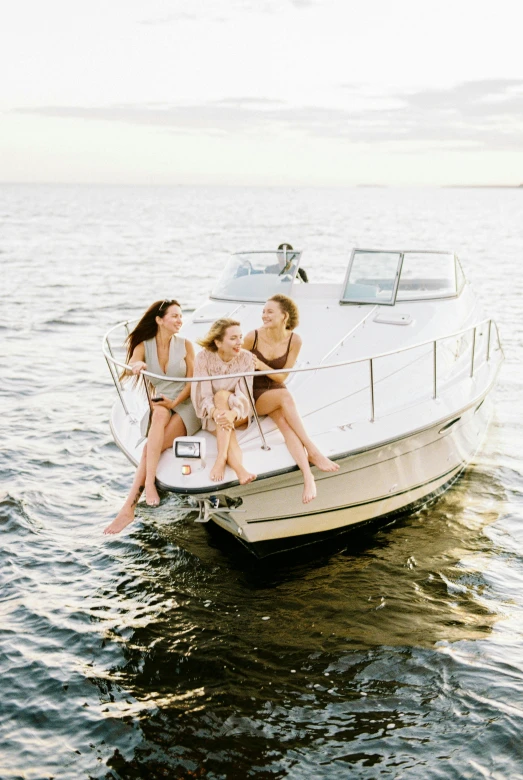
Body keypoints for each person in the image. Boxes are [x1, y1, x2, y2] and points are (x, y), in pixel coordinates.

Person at [104, 299, 199, 534]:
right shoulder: (144, 346)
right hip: (162, 403)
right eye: (174, 316)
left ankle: (130, 506)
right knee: (158, 415)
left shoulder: (185, 344)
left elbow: (193, 381)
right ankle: (145, 488)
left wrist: (175, 402)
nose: (180, 320)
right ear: (159, 320)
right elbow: (133, 363)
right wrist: (136, 366)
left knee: (150, 448)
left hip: (186, 403)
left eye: (180, 315)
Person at [243, 294, 338, 504]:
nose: (264, 315)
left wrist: (260, 365)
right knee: (285, 396)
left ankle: (308, 476)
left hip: (277, 389)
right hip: (255, 394)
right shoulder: (252, 337)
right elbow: (237, 369)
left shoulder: (295, 340)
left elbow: (281, 376)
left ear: (284, 316)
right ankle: (312, 450)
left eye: (269, 311)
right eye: (263, 311)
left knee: (286, 425)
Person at [191, 319, 256, 485]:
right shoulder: (203, 358)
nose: (240, 342)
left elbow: (245, 394)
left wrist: (232, 413)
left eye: (240, 337)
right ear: (218, 342)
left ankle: (221, 459)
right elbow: (203, 395)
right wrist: (216, 413)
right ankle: (241, 470)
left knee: (221, 396)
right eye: (233, 338)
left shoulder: (247, 358)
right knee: (227, 432)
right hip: (212, 414)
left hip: (239, 412)